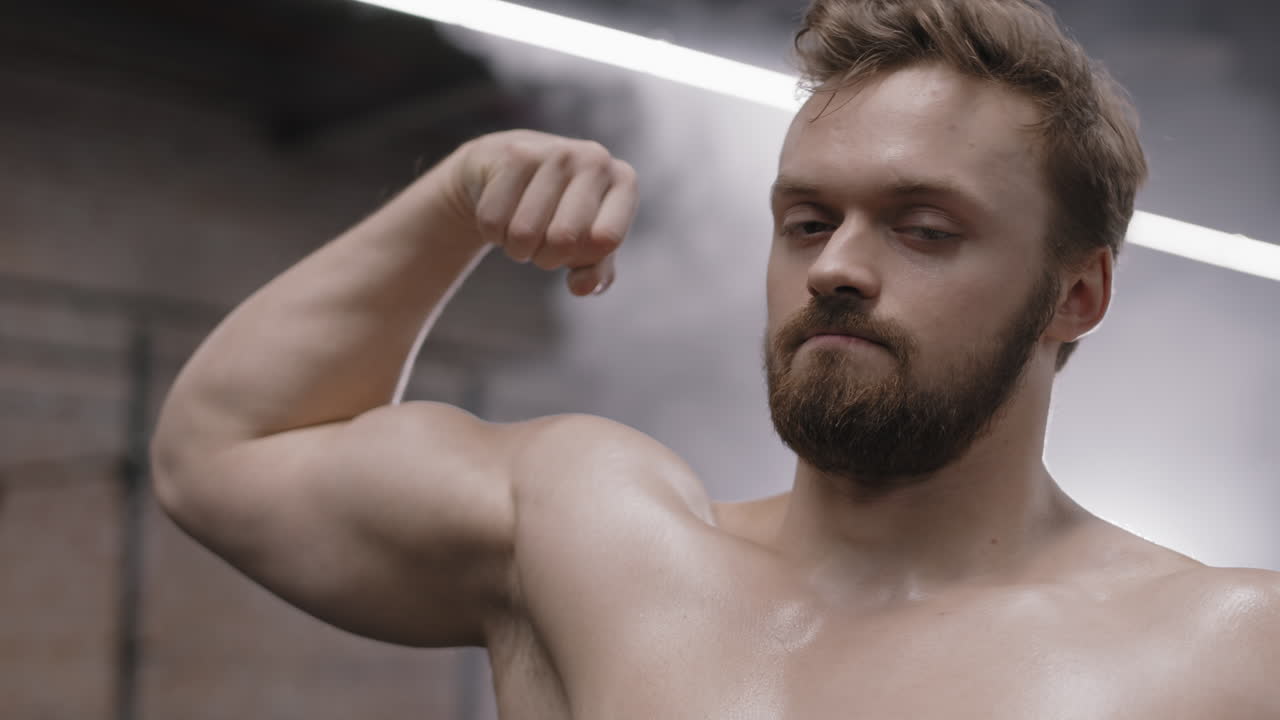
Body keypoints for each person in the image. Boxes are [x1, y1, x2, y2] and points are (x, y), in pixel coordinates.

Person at [151, 0, 1279, 716]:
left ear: (1074, 296)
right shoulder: (599, 539)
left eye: (921, 228)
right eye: (804, 220)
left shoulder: (1225, 652)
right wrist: (456, 200)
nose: (837, 265)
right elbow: (225, 451)